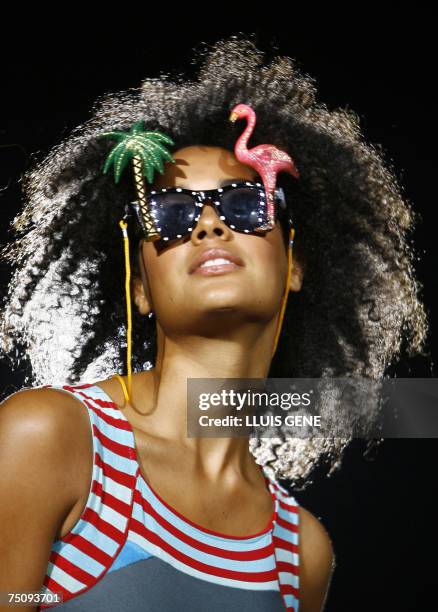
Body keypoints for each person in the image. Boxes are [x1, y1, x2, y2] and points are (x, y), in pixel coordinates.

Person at [0, 35, 428, 612]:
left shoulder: (300, 552)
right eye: (173, 214)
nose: (209, 227)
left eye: (247, 204)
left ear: (295, 264)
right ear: (139, 287)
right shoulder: (51, 438)